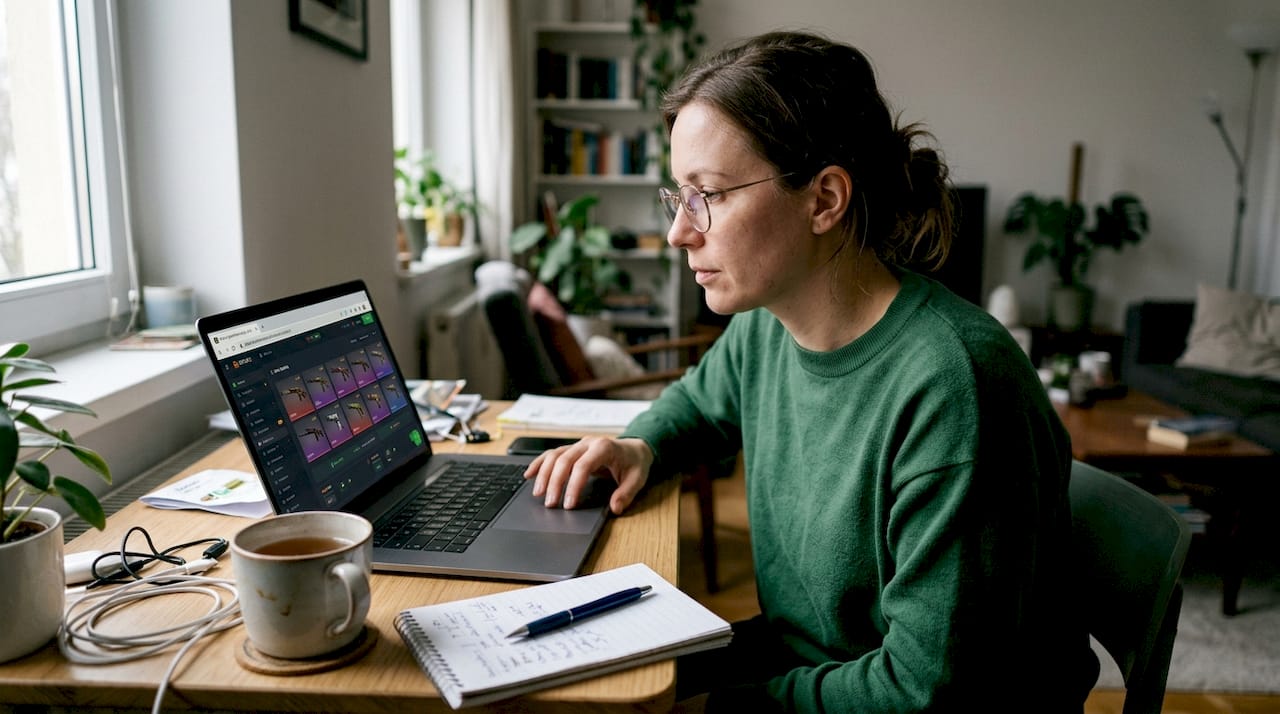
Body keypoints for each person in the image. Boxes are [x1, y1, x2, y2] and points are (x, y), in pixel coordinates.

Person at [523, 30, 1099, 712]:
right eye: (677, 196)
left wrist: (725, 705)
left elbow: (927, 691)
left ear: (824, 199)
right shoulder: (768, 324)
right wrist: (641, 445)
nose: (679, 231)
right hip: (810, 666)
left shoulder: (956, 388)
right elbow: (699, 406)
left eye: (708, 194)